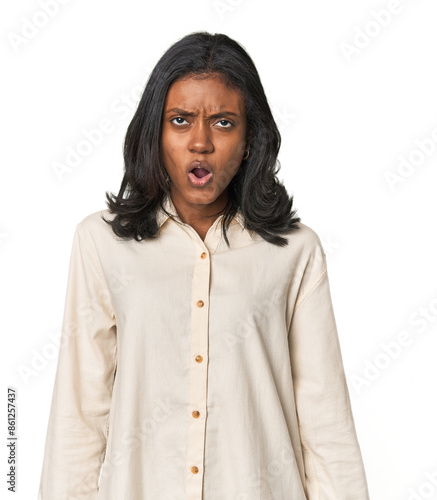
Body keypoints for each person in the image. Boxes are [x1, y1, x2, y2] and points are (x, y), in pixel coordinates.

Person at [37, 31, 371, 500]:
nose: (200, 142)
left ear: (251, 139)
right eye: (180, 120)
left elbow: (325, 422)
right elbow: (80, 414)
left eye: (223, 123)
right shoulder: (101, 243)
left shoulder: (295, 252)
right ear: (155, 133)